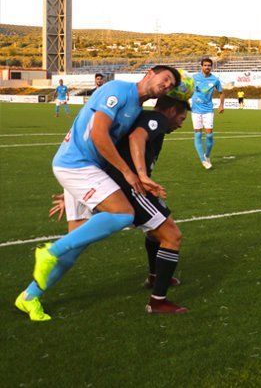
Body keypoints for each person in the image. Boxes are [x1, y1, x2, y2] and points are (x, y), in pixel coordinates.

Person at [14, 66, 179, 321]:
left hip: (81, 172)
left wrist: (69, 190)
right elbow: (97, 134)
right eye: (165, 78)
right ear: (149, 73)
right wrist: (128, 172)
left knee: (75, 249)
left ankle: (29, 297)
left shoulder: (135, 107)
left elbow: (108, 143)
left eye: (171, 85)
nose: (167, 85)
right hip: (77, 165)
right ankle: (50, 251)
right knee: (124, 214)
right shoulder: (118, 90)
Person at [46, 96, 191, 313]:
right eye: (181, 118)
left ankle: (154, 276)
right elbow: (137, 137)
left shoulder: (144, 118)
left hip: (119, 184)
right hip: (131, 187)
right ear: (170, 110)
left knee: (154, 233)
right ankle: (158, 301)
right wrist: (141, 175)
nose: (180, 123)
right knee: (172, 236)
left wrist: (76, 192)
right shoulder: (156, 119)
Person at [191, 57, 225, 170]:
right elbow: (187, 90)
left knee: (209, 135)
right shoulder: (194, 78)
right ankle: (203, 160)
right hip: (195, 110)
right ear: (201, 66)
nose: (207, 67)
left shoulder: (215, 79)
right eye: (205, 65)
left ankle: (207, 156)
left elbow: (221, 92)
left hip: (208, 110)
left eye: (209, 65)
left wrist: (221, 105)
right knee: (198, 134)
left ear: (211, 67)